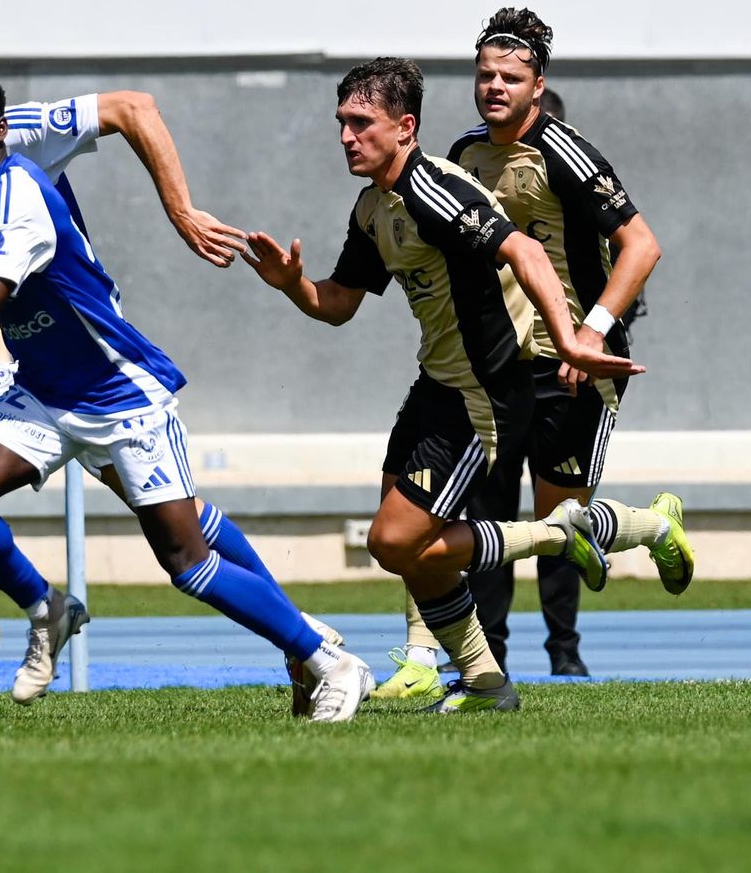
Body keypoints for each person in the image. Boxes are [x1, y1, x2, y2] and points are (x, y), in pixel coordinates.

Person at [0, 16, 323, 699]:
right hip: (33, 367)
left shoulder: (13, 132)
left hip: (90, 361)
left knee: (179, 528)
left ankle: (301, 638)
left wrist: (182, 210)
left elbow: (134, 107)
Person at [242, 58, 644, 712]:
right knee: (409, 551)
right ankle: (485, 682)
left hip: (482, 396)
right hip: (435, 386)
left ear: (405, 127)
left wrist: (574, 339)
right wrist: (293, 285)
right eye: (342, 122)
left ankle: (556, 535)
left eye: (362, 123)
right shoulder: (373, 205)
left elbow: (527, 251)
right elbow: (340, 302)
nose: (346, 136)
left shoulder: (435, 188)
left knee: (394, 540)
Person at [380, 9, 684, 691]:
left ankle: (652, 528)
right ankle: (460, 667)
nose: (495, 86)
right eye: (485, 75)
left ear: (537, 86)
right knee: (465, 515)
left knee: (560, 525)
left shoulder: (565, 152)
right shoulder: (461, 154)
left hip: (577, 366)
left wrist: (591, 332)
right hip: (497, 366)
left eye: (510, 78)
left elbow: (642, 245)